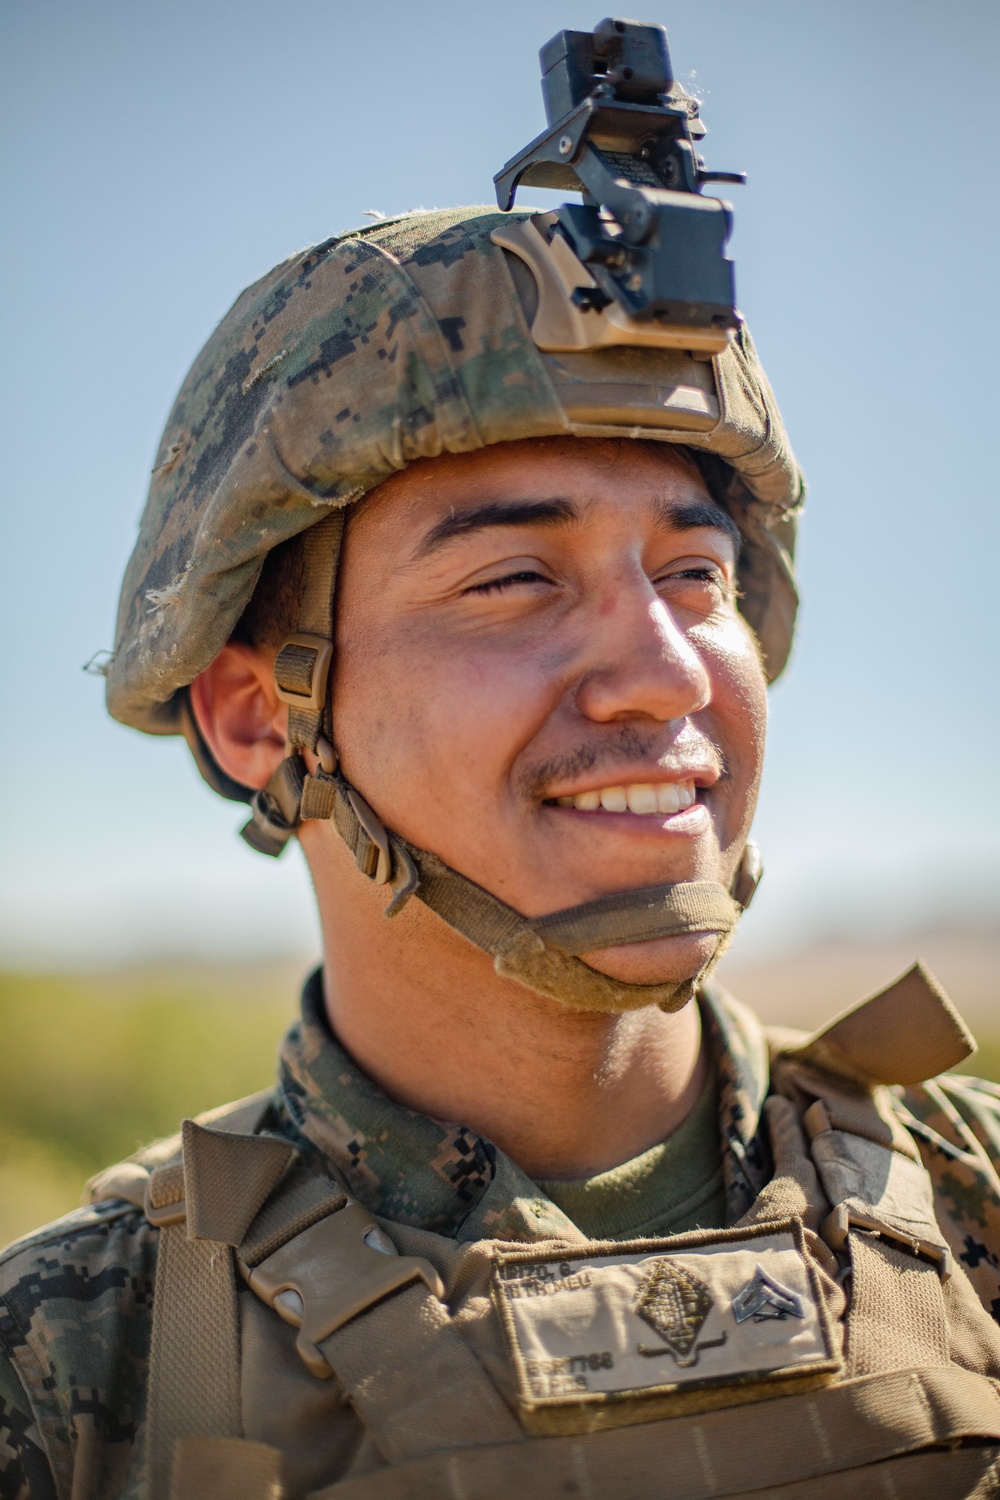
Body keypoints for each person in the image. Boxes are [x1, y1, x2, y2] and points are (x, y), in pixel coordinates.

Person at [3, 23, 1000, 1500]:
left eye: (697, 577)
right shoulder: (82, 1364)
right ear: (259, 715)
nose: (664, 669)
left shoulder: (976, 1202)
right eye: (512, 580)